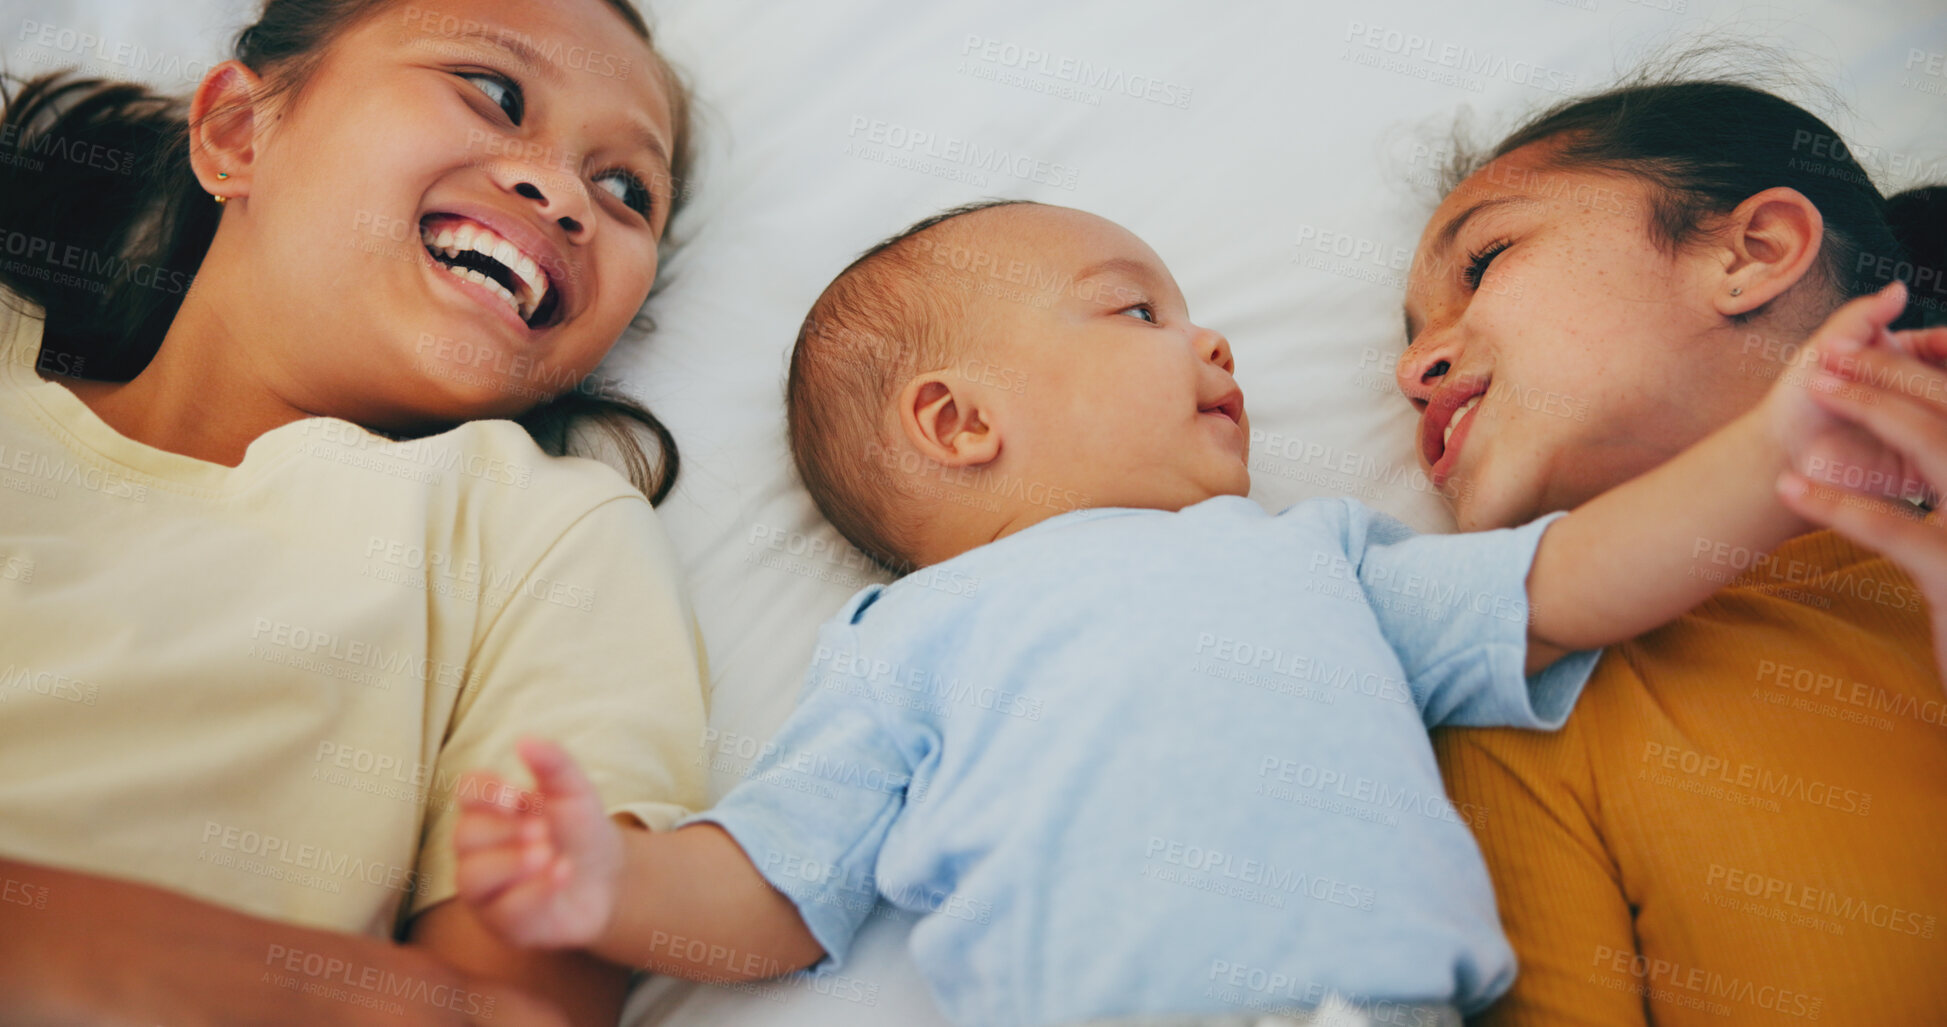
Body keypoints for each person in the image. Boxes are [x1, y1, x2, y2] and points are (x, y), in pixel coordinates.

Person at [444, 201, 1929, 1027]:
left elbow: (1568, 579)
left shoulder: (1314, 556)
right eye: (1135, 309)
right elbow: (773, 889)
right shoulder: (910, 639)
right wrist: (609, 888)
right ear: (958, 419)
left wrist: (1772, 455)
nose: (1209, 335)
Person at [0, 1, 709, 1023]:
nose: (564, 194)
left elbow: (502, 1008)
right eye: (495, 92)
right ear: (241, 134)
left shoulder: (545, 535)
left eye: (624, 188)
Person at [1392, 78, 1947, 1025]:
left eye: (1483, 262)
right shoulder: (1517, 723)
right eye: (1406, 345)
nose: (1413, 371)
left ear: (1753, 251)